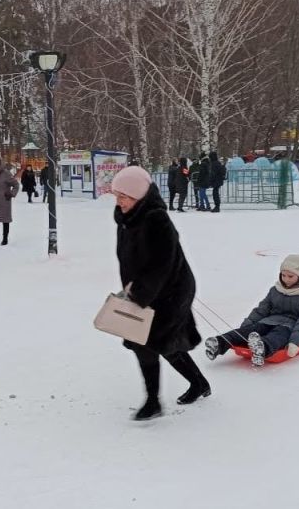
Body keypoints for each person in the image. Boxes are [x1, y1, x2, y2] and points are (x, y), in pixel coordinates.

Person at [111, 166, 211, 420]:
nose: (119, 201)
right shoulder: (127, 219)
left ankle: (153, 402)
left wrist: (139, 294)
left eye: (124, 196)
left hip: (172, 291)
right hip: (145, 291)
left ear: (138, 196)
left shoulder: (157, 221)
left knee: (149, 343)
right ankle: (198, 383)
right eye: (117, 195)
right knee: (159, 343)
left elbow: (161, 265)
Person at [204, 254, 299, 367]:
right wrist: (247, 325)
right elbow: (262, 310)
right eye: (283, 275)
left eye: (290, 276)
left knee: (278, 335)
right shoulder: (276, 290)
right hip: (269, 321)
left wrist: (296, 341)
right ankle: (219, 343)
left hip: (291, 327)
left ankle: (261, 349)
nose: (286, 279)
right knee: (251, 330)